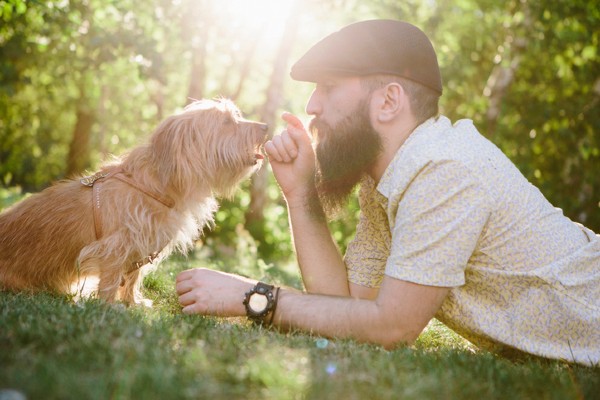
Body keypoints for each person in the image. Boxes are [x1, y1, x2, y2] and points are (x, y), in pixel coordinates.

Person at [175, 20, 599, 366]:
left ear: (389, 101)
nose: (311, 105)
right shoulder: (390, 179)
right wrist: (300, 192)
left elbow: (392, 328)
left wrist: (251, 297)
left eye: (330, 87)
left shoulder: (443, 170)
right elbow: (345, 306)